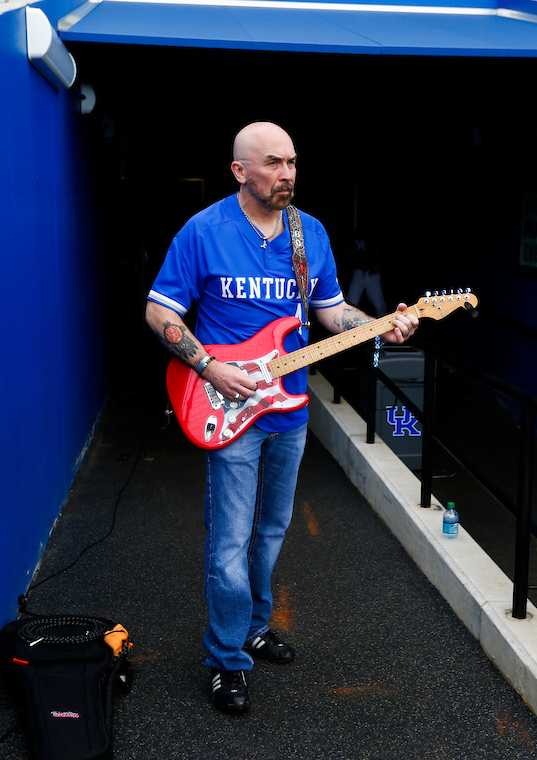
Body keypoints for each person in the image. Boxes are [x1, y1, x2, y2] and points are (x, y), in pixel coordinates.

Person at [143, 121, 419, 715]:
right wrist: (211, 367)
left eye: (292, 162)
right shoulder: (204, 231)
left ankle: (252, 626)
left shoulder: (309, 233)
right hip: (228, 405)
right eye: (273, 163)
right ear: (240, 171)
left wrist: (379, 325)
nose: (287, 174)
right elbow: (159, 311)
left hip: (288, 407)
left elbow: (330, 311)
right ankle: (225, 659)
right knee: (229, 541)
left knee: (271, 530)